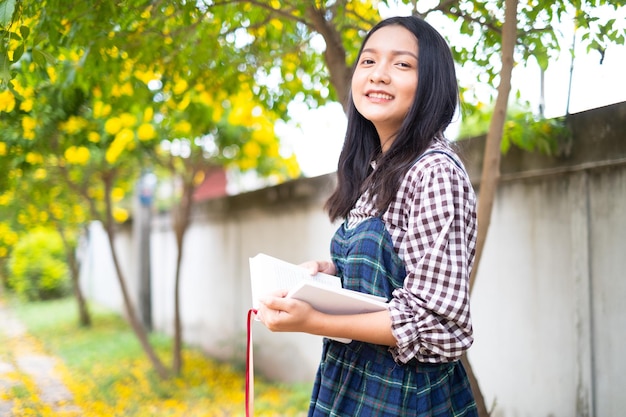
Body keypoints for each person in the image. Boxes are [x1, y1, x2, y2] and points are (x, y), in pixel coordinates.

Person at [258, 15, 478, 416]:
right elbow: (388, 276)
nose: (379, 75)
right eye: (369, 61)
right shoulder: (377, 168)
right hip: (352, 383)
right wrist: (328, 274)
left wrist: (314, 318)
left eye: (402, 64)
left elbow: (439, 326)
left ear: (431, 83)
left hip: (404, 396)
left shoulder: (435, 172)